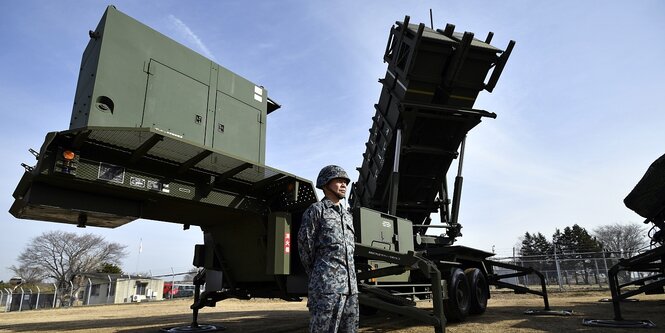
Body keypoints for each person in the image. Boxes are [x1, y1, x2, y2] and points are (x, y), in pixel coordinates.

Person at [298, 165, 358, 333]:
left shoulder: (347, 216)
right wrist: (321, 275)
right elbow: (305, 248)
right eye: (339, 180)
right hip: (326, 289)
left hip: (350, 289)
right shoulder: (316, 211)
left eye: (345, 181)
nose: (344, 184)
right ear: (325, 184)